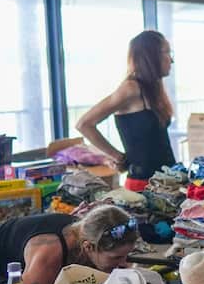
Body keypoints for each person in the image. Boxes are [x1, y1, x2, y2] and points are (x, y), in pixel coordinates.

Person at [0, 205, 140, 284]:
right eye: (117, 257)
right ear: (88, 247)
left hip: (21, 256)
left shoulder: (89, 230)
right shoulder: (50, 255)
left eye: (127, 255)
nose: (125, 263)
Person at [76, 30, 177, 192]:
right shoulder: (131, 88)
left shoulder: (153, 88)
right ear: (150, 56)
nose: (171, 60)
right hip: (143, 184)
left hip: (168, 180)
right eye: (167, 52)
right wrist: (117, 156)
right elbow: (84, 124)